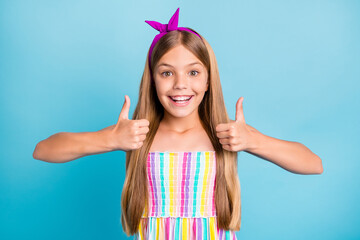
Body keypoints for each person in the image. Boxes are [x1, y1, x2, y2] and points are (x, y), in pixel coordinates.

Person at [33, 7, 323, 240]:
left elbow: (313, 164)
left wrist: (254, 140)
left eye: (194, 73)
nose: (181, 85)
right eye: (167, 73)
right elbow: (43, 150)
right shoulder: (138, 135)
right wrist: (109, 138)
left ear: (209, 80)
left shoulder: (225, 135)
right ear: (152, 79)